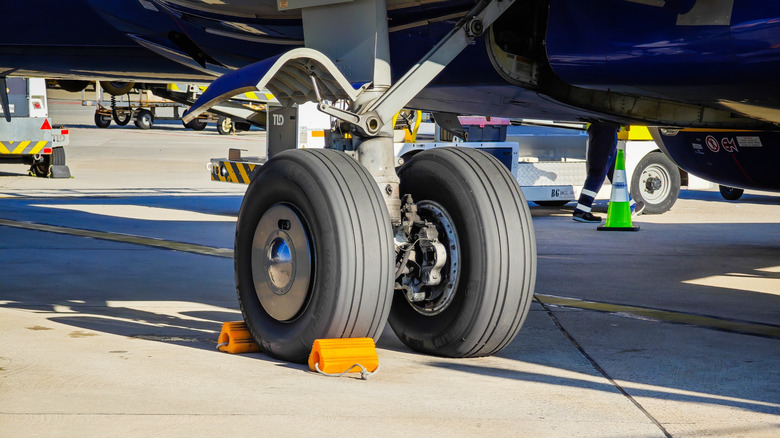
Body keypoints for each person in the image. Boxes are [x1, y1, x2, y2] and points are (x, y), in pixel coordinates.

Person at [573, 122, 643, 223]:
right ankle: (582, 210)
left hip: (604, 128)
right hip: (605, 128)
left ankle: (630, 205)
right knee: (598, 171)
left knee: (613, 172)